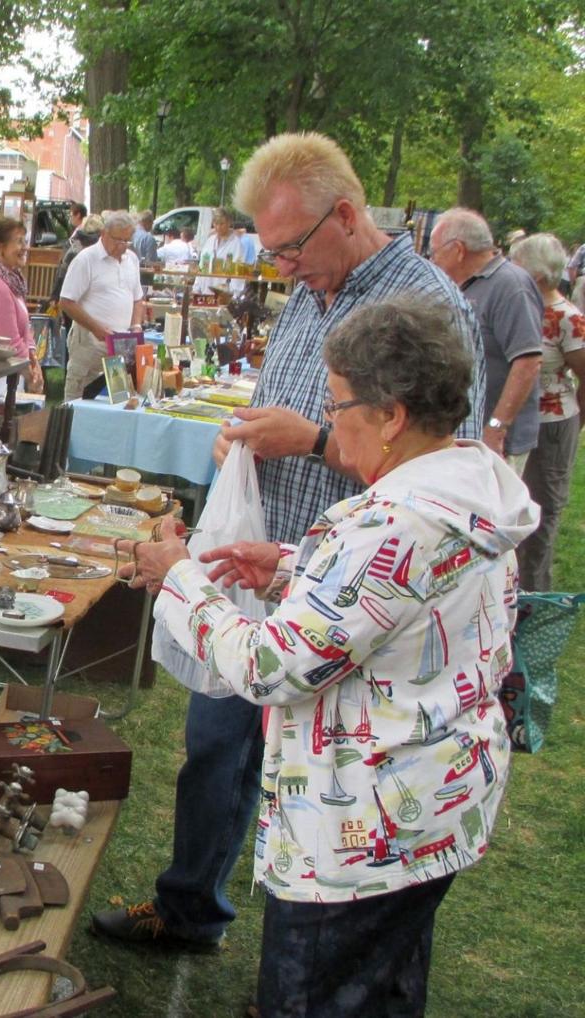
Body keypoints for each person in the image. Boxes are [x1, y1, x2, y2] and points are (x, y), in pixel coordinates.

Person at [93, 131, 485, 954]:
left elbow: (445, 464)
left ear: (345, 214)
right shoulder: (313, 288)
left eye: (289, 250)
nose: (280, 270)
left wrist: (308, 440)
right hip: (273, 562)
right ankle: (192, 906)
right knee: (215, 748)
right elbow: (288, 404)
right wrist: (241, 439)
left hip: (356, 593)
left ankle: (300, 960)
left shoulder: (427, 306)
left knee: (315, 782)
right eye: (270, 253)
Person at [119, 294, 537, 1017]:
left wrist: (178, 576)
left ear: (393, 415)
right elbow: (409, 601)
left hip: (366, 832)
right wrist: (290, 566)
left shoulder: (399, 522)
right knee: (382, 986)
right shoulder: (467, 484)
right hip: (431, 803)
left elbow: (265, 666)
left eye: (338, 402)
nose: (330, 421)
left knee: (313, 996)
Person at [429, 208, 543, 469]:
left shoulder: (511, 285)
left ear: (458, 250)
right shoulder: (460, 285)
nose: (433, 261)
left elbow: (528, 361)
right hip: (466, 433)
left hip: (496, 442)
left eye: (435, 253)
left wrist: (496, 428)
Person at [509, 233, 585, 591]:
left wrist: (576, 422)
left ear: (537, 275)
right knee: (511, 508)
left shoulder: (567, 318)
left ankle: (533, 594)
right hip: (513, 422)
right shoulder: (519, 307)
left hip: (552, 426)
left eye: (517, 265)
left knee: (543, 509)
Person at [59, 211, 144, 401]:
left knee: (117, 398)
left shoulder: (131, 260)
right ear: (104, 234)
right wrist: (95, 327)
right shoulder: (86, 259)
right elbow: (66, 301)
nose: (122, 246)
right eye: (117, 240)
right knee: (80, 395)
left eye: (127, 241)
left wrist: (136, 326)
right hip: (90, 341)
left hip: (120, 344)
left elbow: (138, 299)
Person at [0, 214, 42, 392]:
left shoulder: (12, 282)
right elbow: (10, 339)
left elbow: (24, 330)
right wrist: (31, 375)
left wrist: (34, 359)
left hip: (13, 372)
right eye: (19, 242)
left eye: (24, 241)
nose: (25, 247)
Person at [195, 207, 252, 294]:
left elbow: (238, 273)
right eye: (216, 223)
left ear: (229, 223)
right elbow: (203, 265)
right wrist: (196, 288)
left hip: (223, 293)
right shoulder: (210, 241)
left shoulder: (236, 244)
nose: (218, 227)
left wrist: (233, 294)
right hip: (204, 292)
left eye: (222, 224)